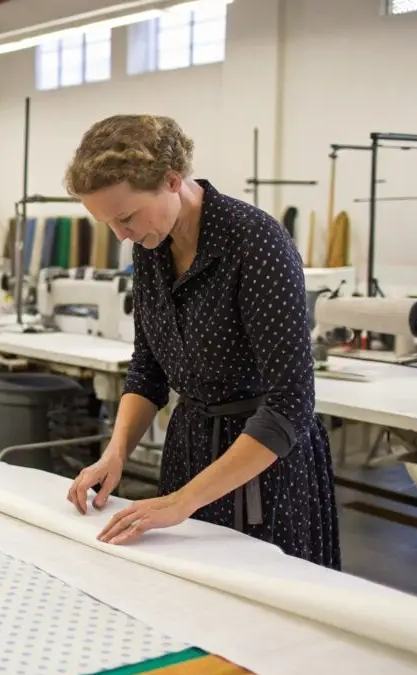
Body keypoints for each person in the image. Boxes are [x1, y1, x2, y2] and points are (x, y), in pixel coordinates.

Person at [62, 115, 339, 569]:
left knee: (263, 612)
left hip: (262, 466)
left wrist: (180, 502)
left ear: (172, 180)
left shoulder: (255, 241)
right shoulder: (149, 248)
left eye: (126, 217)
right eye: (108, 223)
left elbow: (290, 404)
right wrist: (115, 455)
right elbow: (148, 368)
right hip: (190, 449)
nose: (121, 235)